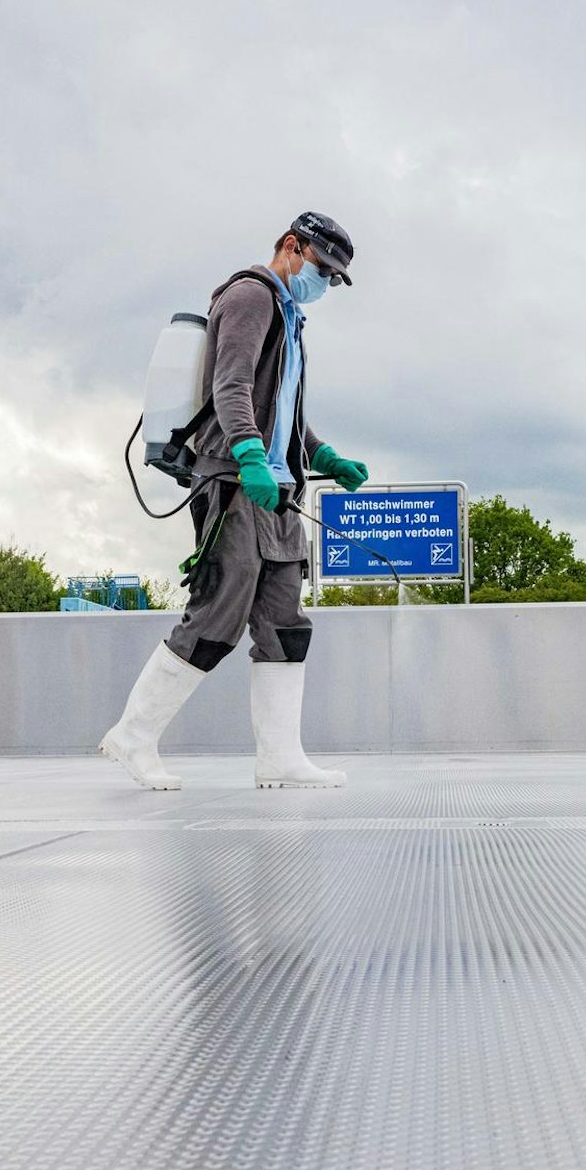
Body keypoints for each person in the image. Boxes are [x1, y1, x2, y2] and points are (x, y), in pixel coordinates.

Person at [101, 211, 371, 791]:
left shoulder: (290, 319)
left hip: (277, 489)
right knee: (219, 613)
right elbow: (231, 384)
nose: (324, 284)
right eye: (322, 269)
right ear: (292, 247)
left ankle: (280, 759)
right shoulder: (250, 296)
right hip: (234, 481)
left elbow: (288, 418)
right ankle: (133, 735)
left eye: (334, 279)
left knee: (284, 623)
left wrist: (325, 460)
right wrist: (248, 456)